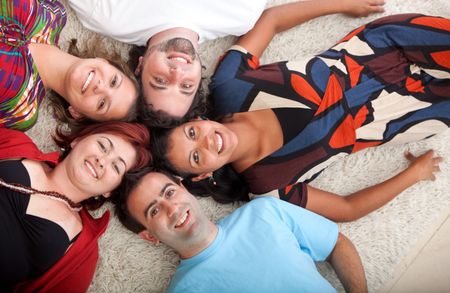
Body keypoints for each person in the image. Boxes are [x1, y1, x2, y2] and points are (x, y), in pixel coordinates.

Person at [150, 13, 449, 222]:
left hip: (378, 46)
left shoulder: (228, 85)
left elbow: (271, 21)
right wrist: (413, 175)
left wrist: (340, 3)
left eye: (192, 134)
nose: (206, 142)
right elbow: (347, 209)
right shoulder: (270, 187)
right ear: (204, 175)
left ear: (196, 119)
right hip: (403, 111)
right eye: (197, 158)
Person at [68, 0, 385, 126]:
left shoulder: (108, 16)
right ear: (200, 72)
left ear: (138, 69)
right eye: (186, 85)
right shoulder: (240, 15)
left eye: (161, 81)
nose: (177, 71)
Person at [113, 170, 368, 293]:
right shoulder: (183, 290)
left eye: (169, 193)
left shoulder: (263, 211)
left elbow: (336, 243)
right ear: (149, 235)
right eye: (154, 211)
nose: (172, 208)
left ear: (184, 188)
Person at [0, 121, 151, 292]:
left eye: (116, 167)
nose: (102, 161)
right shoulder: (16, 143)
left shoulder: (82, 256)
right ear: (77, 140)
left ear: (110, 191)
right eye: (102, 146)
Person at [0, 0, 139, 132]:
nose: (100, 87)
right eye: (114, 81)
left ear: (77, 113)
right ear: (104, 61)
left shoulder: (22, 110)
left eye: (102, 103)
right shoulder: (55, 14)